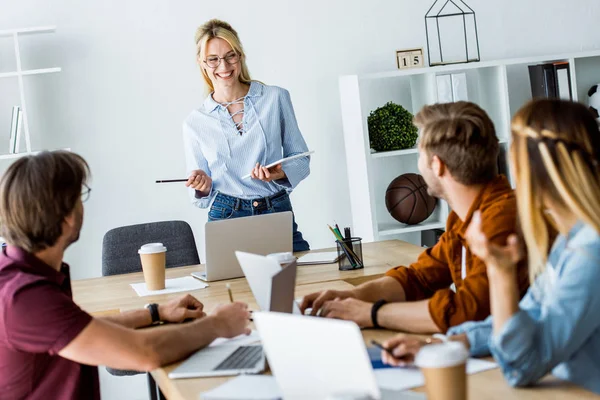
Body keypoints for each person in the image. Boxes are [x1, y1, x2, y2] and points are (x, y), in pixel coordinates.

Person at [381, 99, 600, 394]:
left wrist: (501, 273)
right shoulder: (572, 240)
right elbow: (532, 314)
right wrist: (443, 345)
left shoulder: (589, 254)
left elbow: (522, 365)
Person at [0, 151, 251, 400]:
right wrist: (219, 324)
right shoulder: (24, 297)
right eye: (80, 196)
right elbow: (145, 352)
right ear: (66, 217)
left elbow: (83, 328)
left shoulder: (18, 274)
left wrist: (155, 313)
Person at [301, 102, 529, 333]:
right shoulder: (466, 215)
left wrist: (370, 313)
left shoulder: (500, 219)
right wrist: (352, 296)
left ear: (437, 165)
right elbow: (419, 278)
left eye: (420, 153)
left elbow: (466, 311)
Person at [183, 19, 311, 252]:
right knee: (230, 287)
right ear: (202, 63)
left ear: (240, 56)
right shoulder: (195, 122)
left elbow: (301, 159)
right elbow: (200, 197)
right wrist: (202, 184)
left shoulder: (275, 98)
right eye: (213, 59)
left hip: (276, 210)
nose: (223, 65)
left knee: (297, 282)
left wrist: (280, 173)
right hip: (226, 214)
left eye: (230, 55)